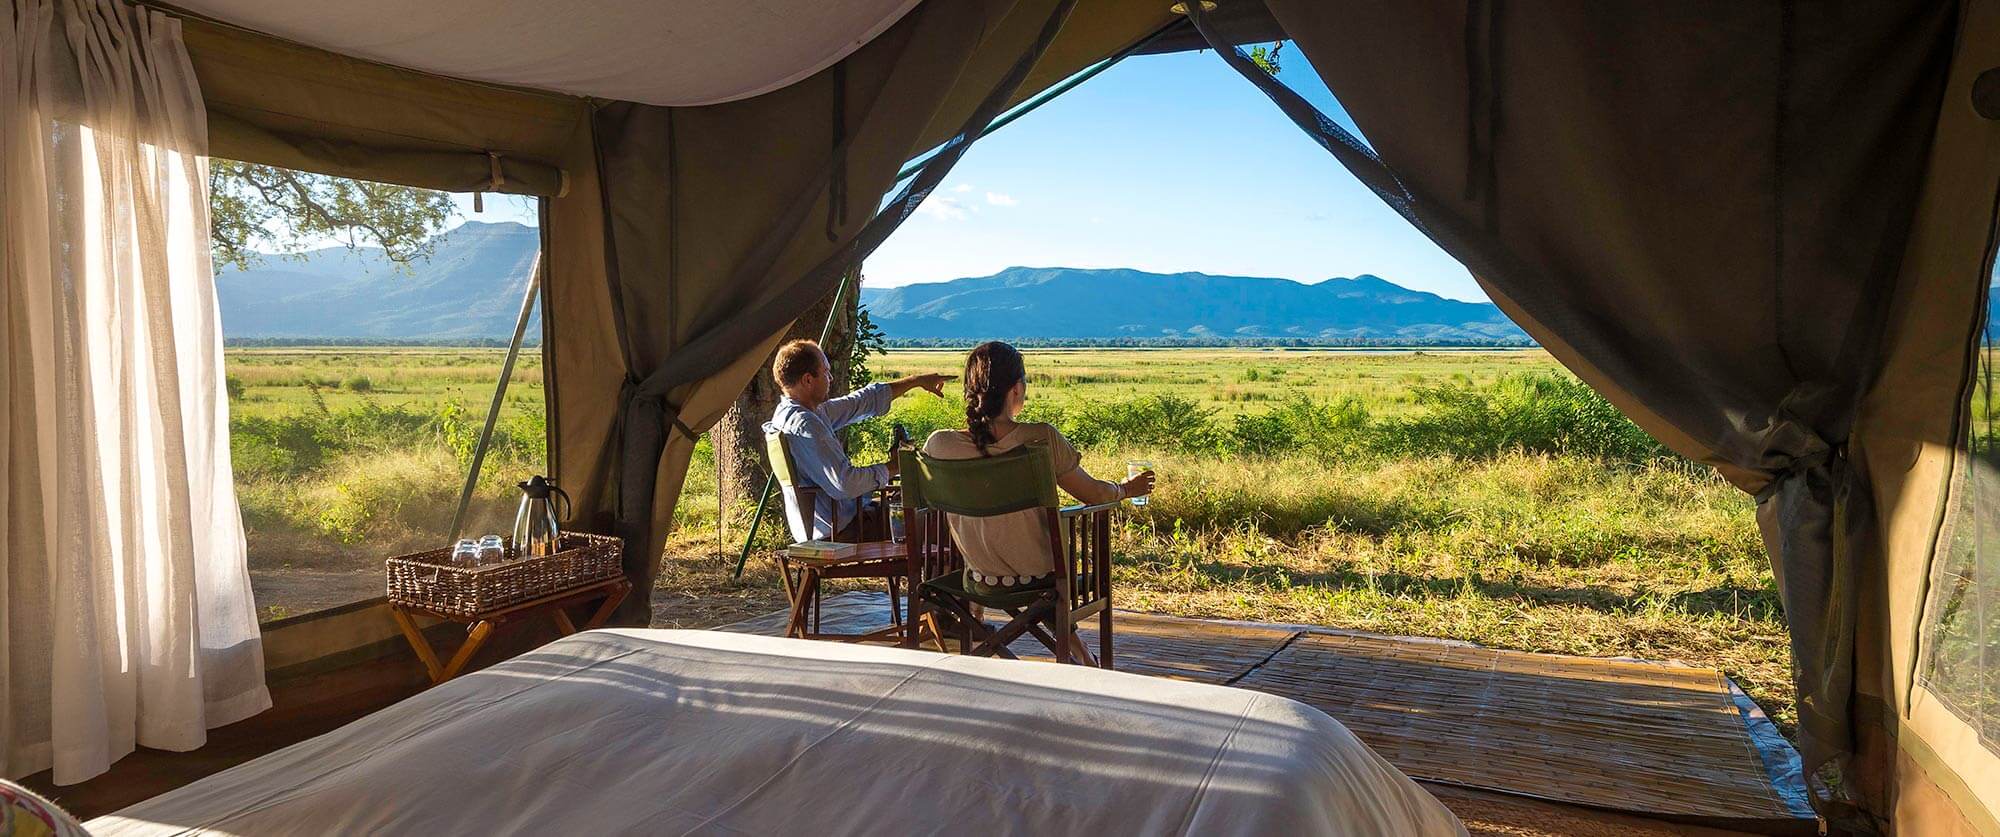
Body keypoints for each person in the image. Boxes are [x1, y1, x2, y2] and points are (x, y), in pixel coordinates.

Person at [922, 341, 1154, 594]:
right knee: (1049, 595)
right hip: (1042, 578)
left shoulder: (940, 444)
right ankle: (1065, 631)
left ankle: (972, 619)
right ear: (1017, 389)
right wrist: (1125, 489)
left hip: (977, 578)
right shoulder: (1041, 437)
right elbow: (1094, 495)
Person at [763, 339, 947, 541]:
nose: (831, 378)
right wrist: (897, 466)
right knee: (939, 517)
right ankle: (954, 571)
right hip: (844, 528)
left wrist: (915, 381)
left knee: (915, 509)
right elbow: (845, 484)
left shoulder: (793, 414)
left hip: (835, 520)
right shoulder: (806, 425)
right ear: (808, 380)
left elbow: (861, 402)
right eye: (826, 372)